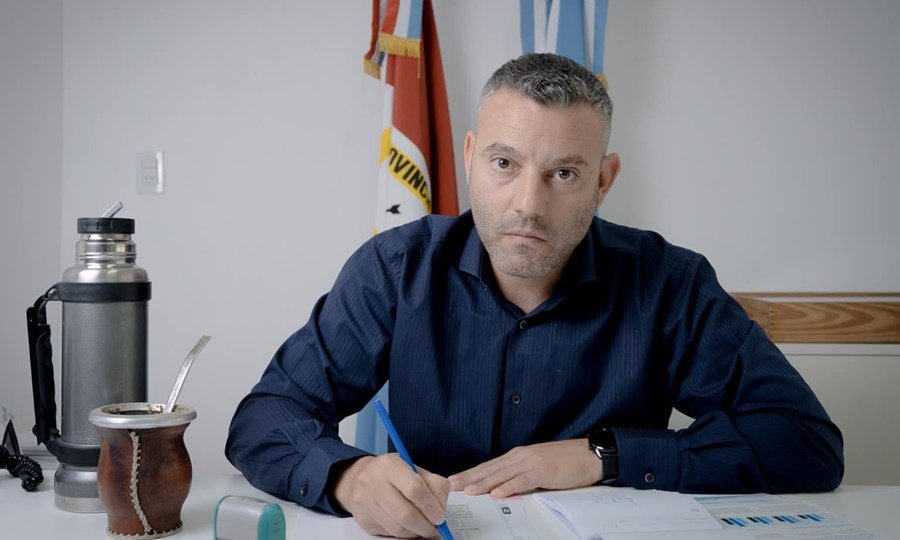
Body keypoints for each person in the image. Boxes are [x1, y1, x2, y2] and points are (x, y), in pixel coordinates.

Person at [226, 53, 843, 538]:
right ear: (471, 157)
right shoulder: (396, 269)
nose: (528, 203)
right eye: (504, 164)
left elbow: (805, 442)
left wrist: (605, 455)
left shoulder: (669, 283)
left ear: (604, 180)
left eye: (564, 173)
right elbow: (263, 418)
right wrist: (348, 476)